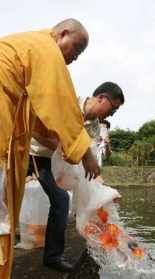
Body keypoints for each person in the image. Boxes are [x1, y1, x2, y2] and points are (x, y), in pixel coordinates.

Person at [0, 18, 100, 279]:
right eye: (75, 50)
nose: (75, 58)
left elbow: (40, 116)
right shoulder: (46, 49)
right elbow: (59, 107)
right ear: (62, 34)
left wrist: (67, 145)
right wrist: (85, 154)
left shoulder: (28, 49)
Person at [27, 81, 124, 272]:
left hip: (55, 162)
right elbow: (38, 130)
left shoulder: (95, 128)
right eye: (112, 109)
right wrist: (65, 146)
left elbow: (88, 161)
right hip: (33, 153)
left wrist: (103, 191)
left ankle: (52, 256)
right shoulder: (68, 103)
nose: (111, 115)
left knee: (62, 200)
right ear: (101, 97)